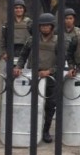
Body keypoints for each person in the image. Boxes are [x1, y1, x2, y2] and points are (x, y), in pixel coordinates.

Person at [14, 13, 59, 143]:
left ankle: (45, 131)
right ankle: (31, 129)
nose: (44, 28)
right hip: (33, 77)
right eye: (42, 26)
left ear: (52, 27)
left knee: (50, 106)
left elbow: (61, 62)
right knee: (31, 104)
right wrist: (18, 67)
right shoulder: (31, 40)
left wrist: (50, 71)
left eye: (47, 26)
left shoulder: (58, 41)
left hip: (50, 79)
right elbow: (23, 56)